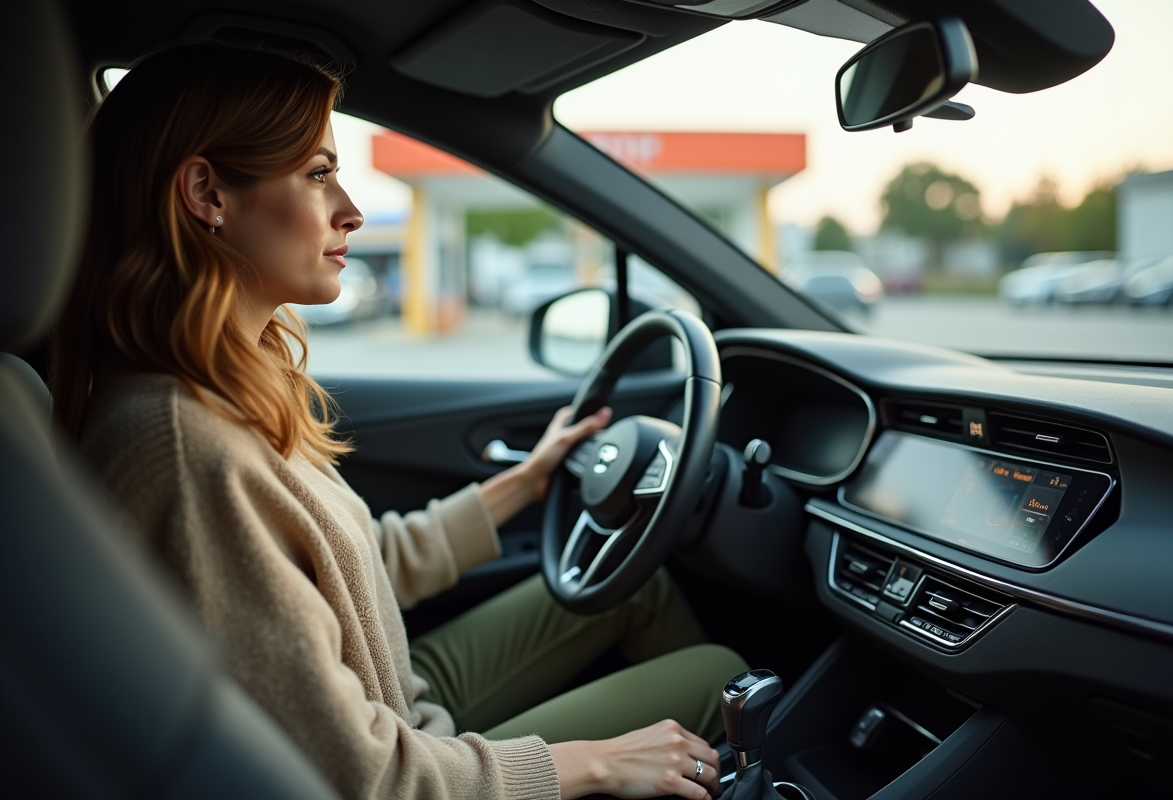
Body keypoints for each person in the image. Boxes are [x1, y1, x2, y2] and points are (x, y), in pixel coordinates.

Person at [52, 43, 747, 800]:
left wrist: (523, 482)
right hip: (398, 755)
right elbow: (361, 776)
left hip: (396, 697)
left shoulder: (220, 389)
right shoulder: (186, 448)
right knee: (720, 680)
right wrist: (599, 763)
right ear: (207, 194)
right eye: (318, 174)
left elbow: (346, 571)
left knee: (635, 591)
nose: (350, 209)